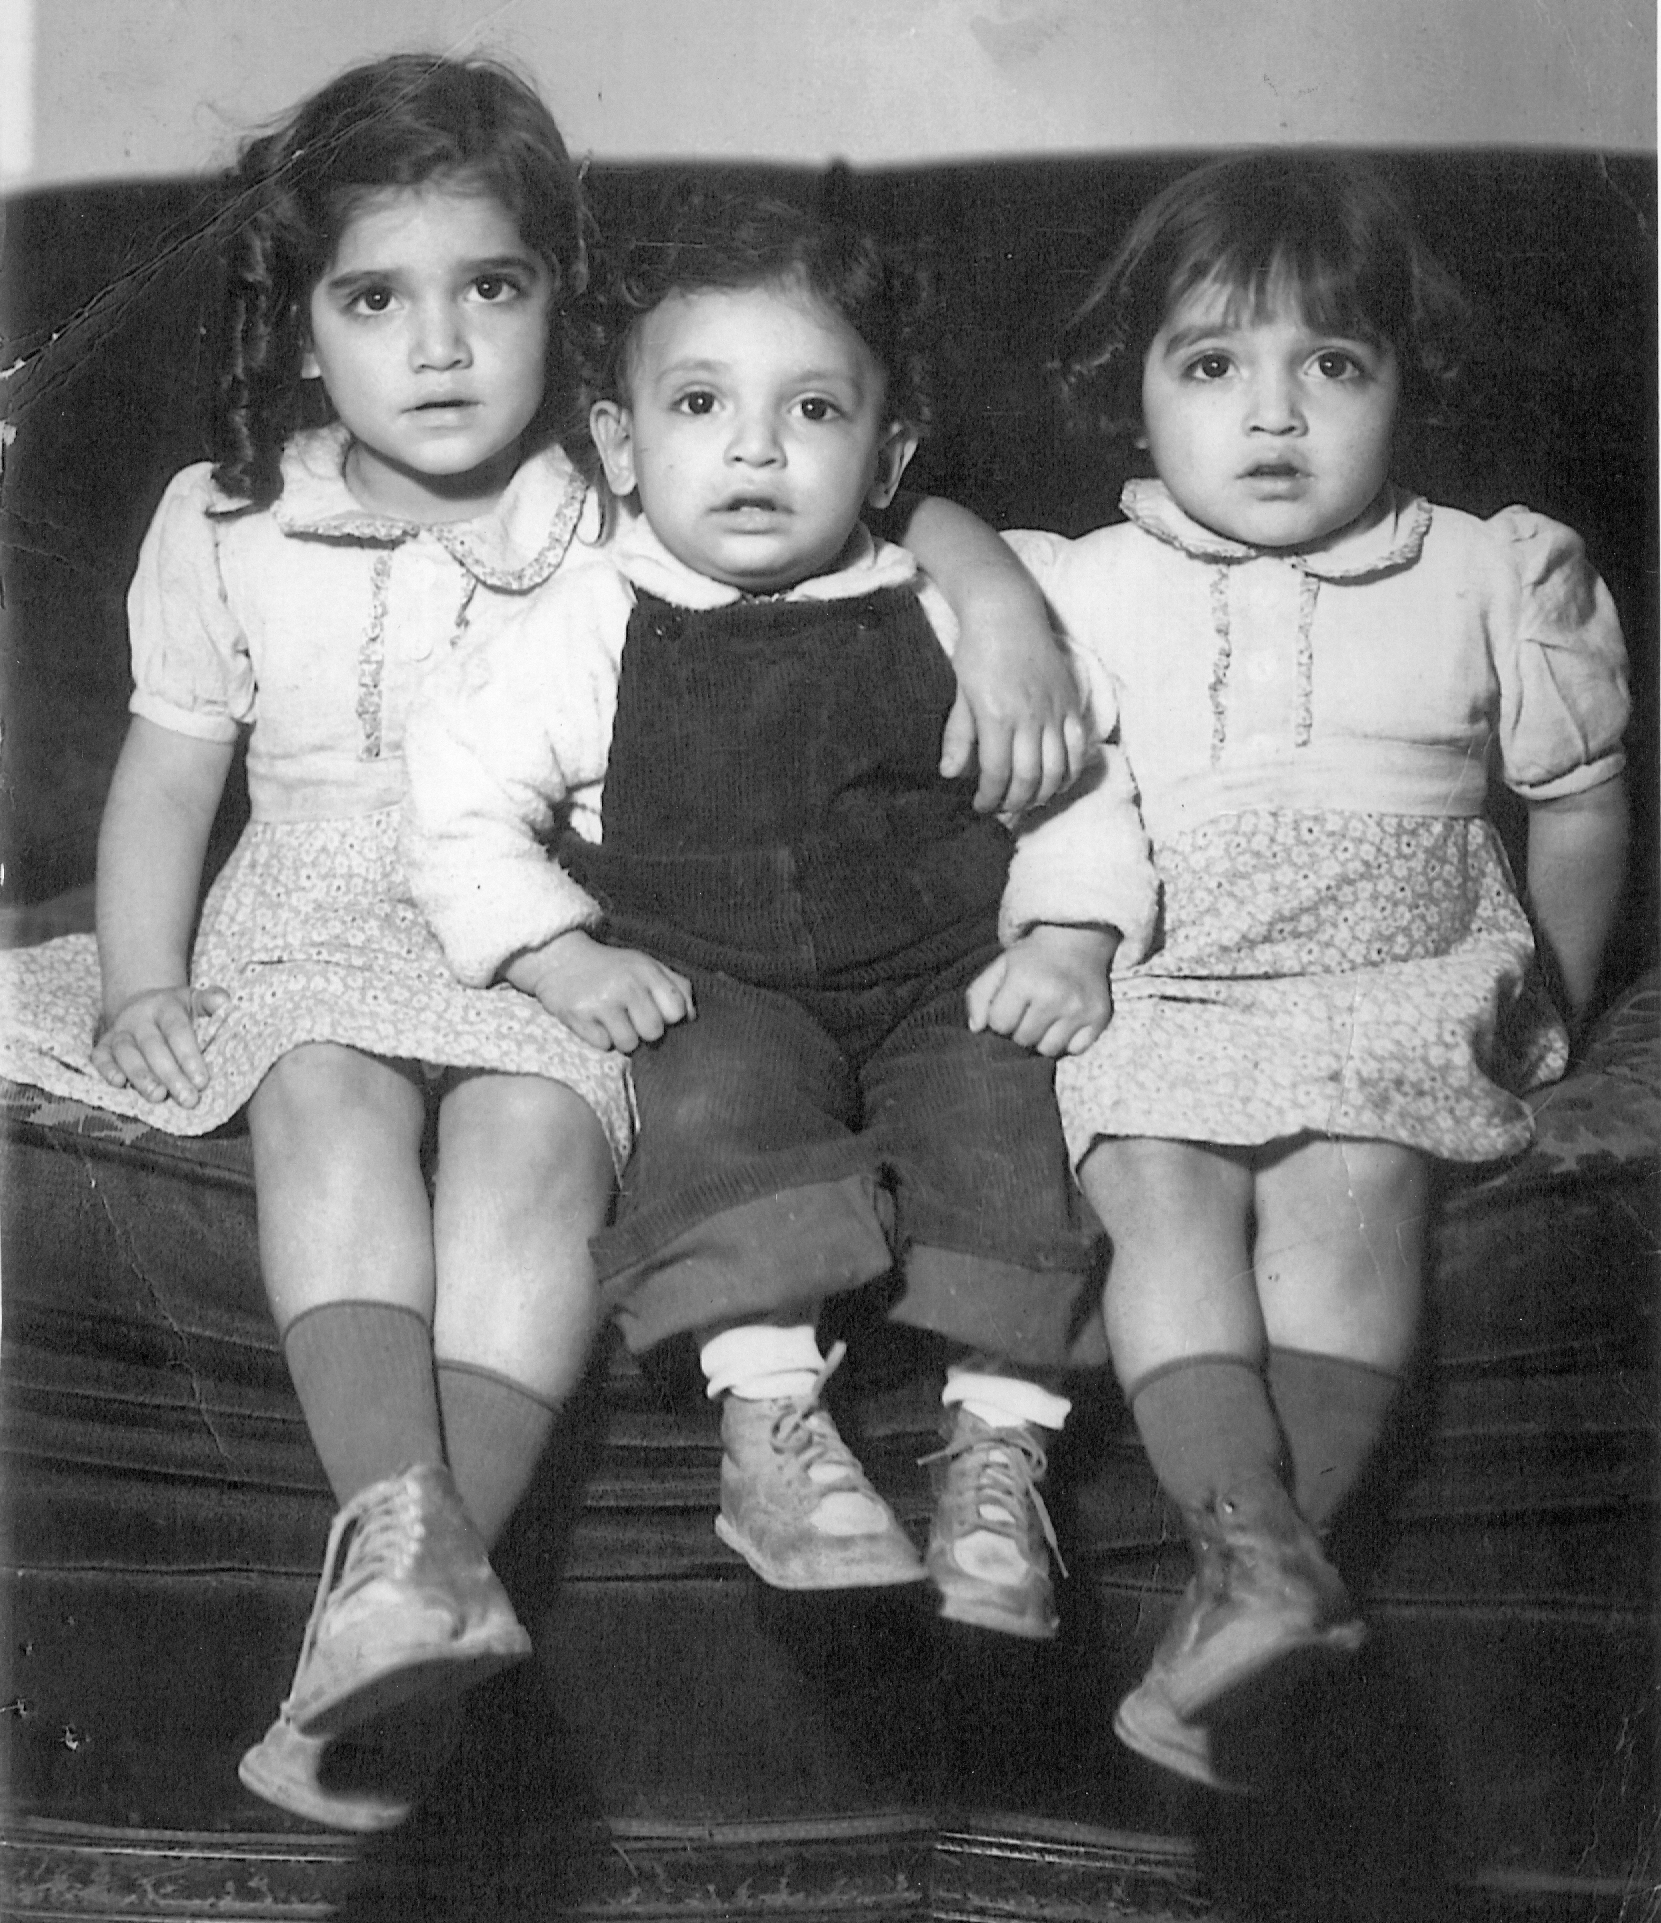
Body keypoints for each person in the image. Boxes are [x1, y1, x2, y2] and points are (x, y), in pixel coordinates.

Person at [0, 62, 1087, 1831]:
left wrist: (999, 594)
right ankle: (401, 1535)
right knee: (323, 1094)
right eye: (375, 300)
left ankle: (427, 1592)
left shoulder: (607, 487)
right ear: (299, 334)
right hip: (312, 917)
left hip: (553, 922)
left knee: (537, 1136)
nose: (438, 349)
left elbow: (889, 518)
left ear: (559, 317)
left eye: (488, 290)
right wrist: (141, 981)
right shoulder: (226, 518)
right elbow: (169, 777)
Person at [402, 189, 1158, 1645]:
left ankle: (996, 1459)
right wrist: (555, 950)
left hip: (944, 975)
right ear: (621, 445)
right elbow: (455, 802)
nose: (754, 449)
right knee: (713, 1114)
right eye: (700, 405)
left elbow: (1073, 780)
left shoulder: (945, 609)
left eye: (812, 410)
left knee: (1004, 1118)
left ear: (890, 454)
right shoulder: (590, 620)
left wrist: (1071, 937)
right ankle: (772, 1431)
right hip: (718, 981)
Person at [994, 153, 1630, 1789]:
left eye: (1331, 365)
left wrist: (1551, 1001)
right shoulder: (1075, 582)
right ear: (1133, 393)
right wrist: (985, 597)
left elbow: (1576, 803)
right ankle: (1248, 1545)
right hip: (1174, 973)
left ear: (1407, 386)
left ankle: (1265, 1575)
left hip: (1398, 972)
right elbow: (910, 542)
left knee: (1356, 1188)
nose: (1271, 416)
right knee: (1151, 1182)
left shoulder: (1487, 568)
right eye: (1211, 365)